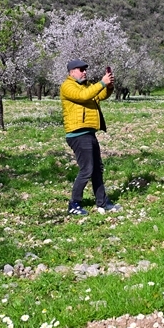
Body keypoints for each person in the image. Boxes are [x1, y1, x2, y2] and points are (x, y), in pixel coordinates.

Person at [60, 59, 121, 216]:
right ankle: (74, 203)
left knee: (97, 169)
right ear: (71, 72)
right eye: (81, 69)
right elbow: (83, 96)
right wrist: (101, 82)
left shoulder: (86, 85)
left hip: (88, 132)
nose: (84, 71)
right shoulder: (67, 86)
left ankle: (102, 202)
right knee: (87, 169)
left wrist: (109, 86)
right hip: (77, 133)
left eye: (85, 69)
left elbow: (99, 95)